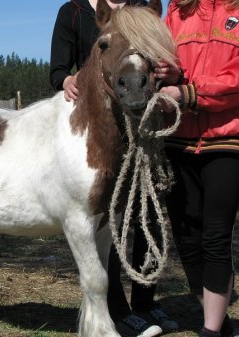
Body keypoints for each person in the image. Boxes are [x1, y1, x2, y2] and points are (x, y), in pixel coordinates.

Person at [50, 1, 179, 337]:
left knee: (147, 213)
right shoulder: (73, 11)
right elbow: (57, 69)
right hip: (98, 127)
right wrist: (65, 80)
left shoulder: (141, 8)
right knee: (106, 219)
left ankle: (146, 301)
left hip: (140, 118)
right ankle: (117, 307)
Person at [154, 0, 239, 336]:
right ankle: (217, 319)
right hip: (179, 142)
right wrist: (172, 74)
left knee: (215, 237)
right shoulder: (176, 13)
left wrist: (188, 91)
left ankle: (211, 330)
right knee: (187, 239)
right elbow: (166, 66)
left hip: (227, 143)